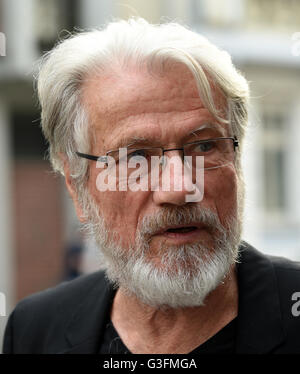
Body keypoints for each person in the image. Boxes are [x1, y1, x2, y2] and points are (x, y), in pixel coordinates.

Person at [3, 18, 300, 354]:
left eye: (204, 146)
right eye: (136, 157)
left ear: (237, 160)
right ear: (77, 185)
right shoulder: (34, 332)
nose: (178, 189)